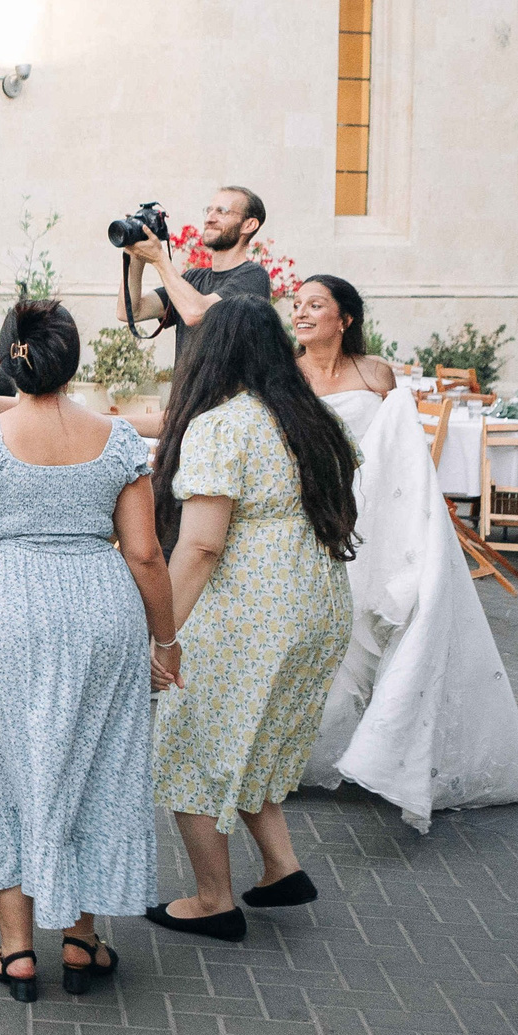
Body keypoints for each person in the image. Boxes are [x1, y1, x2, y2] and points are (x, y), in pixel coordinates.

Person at [0, 300, 175, 1000]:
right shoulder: (117, 439)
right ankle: (80, 939)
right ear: (71, 359)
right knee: (93, 768)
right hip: (100, 612)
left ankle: (16, 950)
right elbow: (144, 552)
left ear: (9, 360)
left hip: (4, 612)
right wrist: (166, 640)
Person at [145, 295, 358, 945]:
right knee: (249, 735)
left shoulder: (222, 425)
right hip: (318, 604)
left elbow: (201, 546)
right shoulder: (314, 419)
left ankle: (213, 900)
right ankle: (281, 868)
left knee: (189, 741)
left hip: (254, 610)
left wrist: (162, 635)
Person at [292, 274, 518, 831]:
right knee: (327, 627)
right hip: (311, 512)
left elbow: (401, 449)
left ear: (345, 319)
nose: (301, 313)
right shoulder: (285, 373)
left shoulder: (375, 373)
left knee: (376, 621)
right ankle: (314, 752)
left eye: (315, 304)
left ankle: (380, 746)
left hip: (374, 515)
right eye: (297, 304)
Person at [118, 186, 274, 413]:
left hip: (225, 417)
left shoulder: (253, 277)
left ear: (249, 225)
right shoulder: (193, 279)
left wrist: (159, 258)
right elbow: (130, 311)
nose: (210, 218)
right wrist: (135, 254)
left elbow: (196, 313)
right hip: (183, 413)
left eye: (222, 211)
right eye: (209, 210)